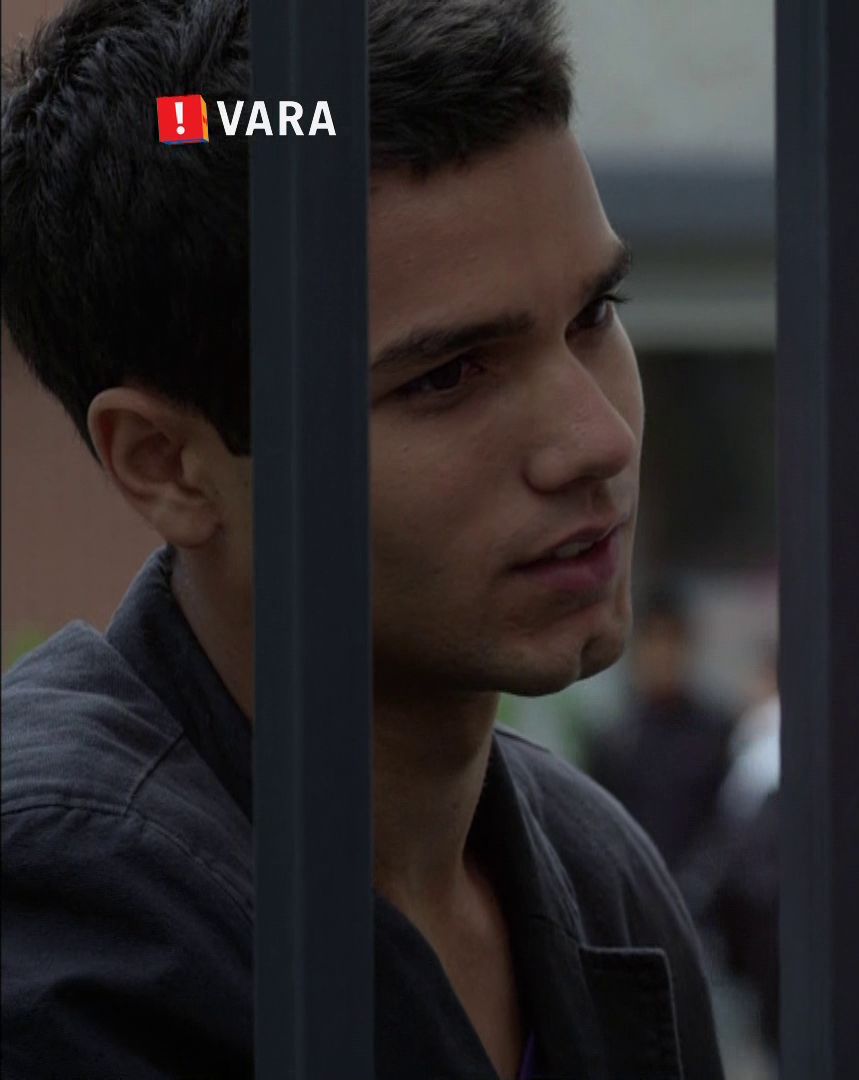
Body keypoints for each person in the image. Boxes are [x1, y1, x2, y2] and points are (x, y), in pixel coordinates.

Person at [0, 1, 723, 1077]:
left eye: (594, 316)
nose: (597, 439)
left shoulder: (599, 872)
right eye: (448, 376)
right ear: (166, 464)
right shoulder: (65, 912)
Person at [583, 584, 736, 895]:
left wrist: (699, 883)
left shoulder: (716, 732)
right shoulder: (615, 741)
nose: (663, 654)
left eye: (671, 641)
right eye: (653, 641)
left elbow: (728, 824)